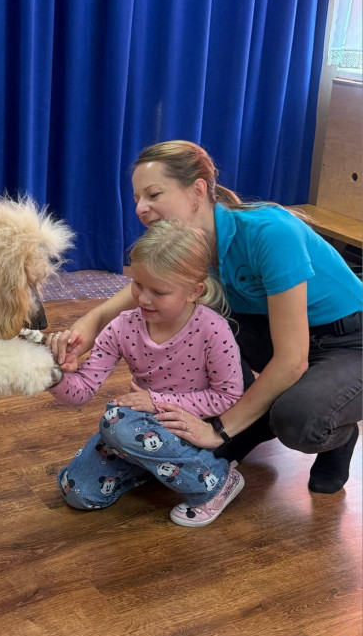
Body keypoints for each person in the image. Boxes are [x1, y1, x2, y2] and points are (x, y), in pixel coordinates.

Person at [50, 140, 362, 494]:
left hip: (350, 341)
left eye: (153, 194)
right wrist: (92, 321)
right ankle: (260, 415)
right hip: (287, 335)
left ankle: (336, 432)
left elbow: (292, 359)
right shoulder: (194, 248)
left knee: (300, 419)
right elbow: (151, 287)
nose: (140, 208)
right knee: (192, 311)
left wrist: (220, 430)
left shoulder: (270, 232)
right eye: (136, 198)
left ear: (198, 189)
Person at [47, 219, 245, 527]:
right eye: (138, 285)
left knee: (116, 421)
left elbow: (229, 396)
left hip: (192, 428)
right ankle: (155, 466)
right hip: (142, 426)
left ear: (194, 291)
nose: (143, 299)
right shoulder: (123, 326)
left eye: (159, 291)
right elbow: (82, 391)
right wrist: (54, 372)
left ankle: (218, 481)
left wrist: (156, 401)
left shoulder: (213, 330)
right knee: (76, 491)